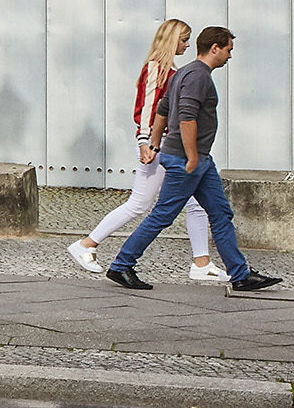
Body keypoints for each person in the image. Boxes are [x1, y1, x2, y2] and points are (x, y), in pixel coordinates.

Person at [110, 26, 280, 293]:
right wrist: (190, 158)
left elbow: (163, 110)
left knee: (220, 213)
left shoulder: (184, 72)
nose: (230, 57)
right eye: (228, 50)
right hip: (188, 159)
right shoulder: (198, 76)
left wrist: (155, 143)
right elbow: (186, 118)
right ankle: (121, 264)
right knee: (162, 215)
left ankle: (240, 274)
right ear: (215, 48)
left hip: (199, 159)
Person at [69, 19, 222, 282]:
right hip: (160, 145)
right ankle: (86, 244)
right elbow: (148, 108)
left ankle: (201, 262)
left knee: (195, 205)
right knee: (139, 203)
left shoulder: (170, 70)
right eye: (184, 39)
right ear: (171, 40)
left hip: (167, 144)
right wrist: (145, 142)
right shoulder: (157, 69)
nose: (187, 44)